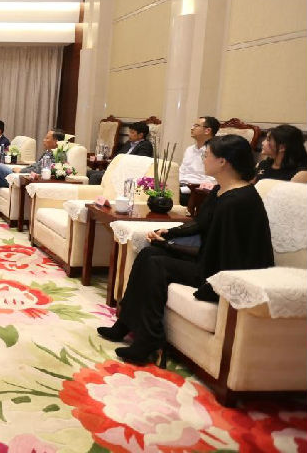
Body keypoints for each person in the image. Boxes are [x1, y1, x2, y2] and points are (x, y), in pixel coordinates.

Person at [97, 134, 274, 365]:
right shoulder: (221, 190)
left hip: (223, 272)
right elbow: (201, 224)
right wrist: (167, 234)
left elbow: (225, 255)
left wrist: (174, 249)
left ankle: (148, 338)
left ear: (223, 162)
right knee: (149, 252)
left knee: (156, 263)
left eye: (207, 155)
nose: (203, 159)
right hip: (210, 260)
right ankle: (125, 322)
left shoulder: (238, 202)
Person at [0, 129, 64, 216]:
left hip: (26, 178)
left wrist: (21, 170)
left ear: (56, 141)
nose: (44, 140)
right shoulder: (48, 152)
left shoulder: (57, 155)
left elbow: (39, 170)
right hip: (24, 173)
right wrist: (23, 169)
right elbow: (35, 166)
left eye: (47, 138)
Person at [88, 121, 154, 185]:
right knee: (88, 172)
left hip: (126, 173)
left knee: (95, 176)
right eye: (129, 132)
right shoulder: (128, 143)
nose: (129, 134)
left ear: (140, 135)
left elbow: (139, 163)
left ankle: (96, 192)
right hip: (116, 169)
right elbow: (118, 155)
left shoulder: (146, 145)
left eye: (132, 132)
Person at [178, 116, 220, 204]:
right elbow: (181, 172)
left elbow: (212, 180)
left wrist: (188, 188)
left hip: (198, 191)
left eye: (196, 126)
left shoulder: (215, 152)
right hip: (181, 187)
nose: (192, 128)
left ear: (207, 130)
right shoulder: (189, 149)